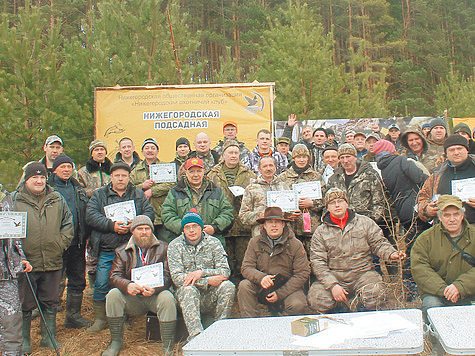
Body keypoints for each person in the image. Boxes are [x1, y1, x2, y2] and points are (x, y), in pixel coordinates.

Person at [307, 189, 405, 313]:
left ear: (347, 203)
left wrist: (391, 253)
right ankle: (340, 310)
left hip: (363, 274)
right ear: (327, 208)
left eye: (340, 201)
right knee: (317, 299)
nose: (337, 205)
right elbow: (318, 263)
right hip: (335, 276)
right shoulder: (320, 232)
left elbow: (379, 243)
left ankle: (363, 311)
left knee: (375, 293)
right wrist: (333, 285)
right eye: (332, 203)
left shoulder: (365, 223)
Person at [85, 162, 154, 333]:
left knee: (127, 283)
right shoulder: (99, 195)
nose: (121, 178)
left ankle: (123, 317)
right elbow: (91, 215)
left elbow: (149, 213)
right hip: (108, 248)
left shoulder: (137, 194)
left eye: (124, 175)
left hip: (131, 249)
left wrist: (136, 223)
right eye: (117, 175)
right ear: (111, 177)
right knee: (102, 283)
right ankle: (101, 319)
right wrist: (111, 226)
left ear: (129, 177)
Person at [14, 162, 73, 353]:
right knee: (25, 304)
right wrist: (17, 255)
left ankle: (49, 338)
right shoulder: (15, 200)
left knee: (51, 302)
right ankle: (24, 341)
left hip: (52, 260)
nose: (39, 181)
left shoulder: (57, 198)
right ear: (27, 179)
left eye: (42, 178)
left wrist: (59, 244)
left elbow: (68, 223)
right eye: (34, 178)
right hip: (26, 263)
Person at [104, 215, 177, 356]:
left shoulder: (164, 248)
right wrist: (127, 285)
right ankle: (116, 342)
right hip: (133, 298)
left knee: (167, 297)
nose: (144, 232)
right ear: (132, 231)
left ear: (152, 231)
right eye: (140, 229)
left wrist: (155, 289)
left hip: (154, 296)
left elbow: (168, 276)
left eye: (147, 229)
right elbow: (113, 276)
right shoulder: (122, 251)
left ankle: (168, 346)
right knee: (113, 295)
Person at [167, 210, 235, 340]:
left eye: (195, 226)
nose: (191, 230)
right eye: (187, 227)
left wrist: (202, 273)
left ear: (201, 228)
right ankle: (196, 337)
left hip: (210, 295)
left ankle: (220, 332)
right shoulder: (174, 246)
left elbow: (225, 271)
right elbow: (177, 278)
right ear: (183, 230)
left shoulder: (214, 243)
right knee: (188, 290)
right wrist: (207, 281)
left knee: (228, 286)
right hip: (186, 297)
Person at [373, 140, 429, 288]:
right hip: (416, 209)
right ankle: (410, 283)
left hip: (403, 212)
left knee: (411, 246)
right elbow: (420, 178)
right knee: (418, 248)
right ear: (391, 149)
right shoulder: (401, 160)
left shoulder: (384, 168)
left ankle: (407, 284)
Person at [411, 195, 474, 321]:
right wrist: (444, 290)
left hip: (470, 291)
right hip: (437, 293)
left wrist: (460, 287)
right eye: (447, 215)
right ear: (439, 217)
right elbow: (419, 268)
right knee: (432, 306)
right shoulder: (426, 238)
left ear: (462, 215)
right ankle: (436, 340)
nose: (452, 219)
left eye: (456, 214)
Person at [238, 207, 310, 317]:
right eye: (270, 222)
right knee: (244, 286)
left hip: (287, 287)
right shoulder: (254, 242)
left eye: (277, 222)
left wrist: (280, 293)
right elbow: (246, 267)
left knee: (298, 304)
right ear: (264, 226)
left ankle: (285, 325)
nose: (274, 225)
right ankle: (251, 324)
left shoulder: (295, 244)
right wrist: (261, 277)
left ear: (283, 224)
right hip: (262, 286)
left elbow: (302, 273)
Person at [47, 154, 92, 329]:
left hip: (77, 243)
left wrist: (86, 236)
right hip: (55, 244)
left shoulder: (77, 188)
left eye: (69, 167)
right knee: (53, 282)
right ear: (55, 169)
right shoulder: (48, 188)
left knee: (78, 280)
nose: (66, 170)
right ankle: (49, 322)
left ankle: (73, 317)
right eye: (62, 167)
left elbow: (85, 213)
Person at [207, 140, 256, 279]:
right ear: (223, 155)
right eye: (230, 152)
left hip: (243, 226)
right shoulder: (212, 175)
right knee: (224, 262)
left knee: (244, 262)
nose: (233, 155)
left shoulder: (249, 174)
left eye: (236, 153)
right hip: (222, 226)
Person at [161, 157, 234, 247]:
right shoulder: (175, 192)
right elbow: (167, 215)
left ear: (204, 171)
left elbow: (227, 212)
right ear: (186, 172)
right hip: (184, 244)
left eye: (198, 171)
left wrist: (214, 227)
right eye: (191, 171)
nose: (195, 175)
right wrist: (185, 228)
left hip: (212, 243)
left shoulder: (216, 191)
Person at [0, 184, 32, 356]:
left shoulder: (4, 196)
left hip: (6, 273)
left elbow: (13, 235)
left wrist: (21, 258)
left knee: (12, 319)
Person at [417, 134, 475, 225]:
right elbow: (422, 198)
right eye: (452, 150)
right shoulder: (436, 175)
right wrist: (427, 209)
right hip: (446, 231)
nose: (456, 152)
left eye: (460, 148)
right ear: (446, 154)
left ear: (467, 150)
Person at [278, 144, 325, 252]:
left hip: (312, 228)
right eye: (298, 157)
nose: (301, 160)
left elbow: (325, 201)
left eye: (304, 157)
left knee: (314, 256)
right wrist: (288, 212)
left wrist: (312, 204)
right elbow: (278, 202)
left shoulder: (316, 177)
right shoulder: (283, 178)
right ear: (293, 158)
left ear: (308, 158)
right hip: (290, 228)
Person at [326, 143, 386, 224]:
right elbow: (328, 205)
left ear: (355, 157)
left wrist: (370, 222)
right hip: (340, 225)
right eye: (342, 158)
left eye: (348, 157)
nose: (345, 161)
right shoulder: (334, 179)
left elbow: (379, 203)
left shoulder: (370, 175)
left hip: (365, 224)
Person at [130, 138, 174, 239]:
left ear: (157, 151)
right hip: (143, 216)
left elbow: (172, 184)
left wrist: (152, 191)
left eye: (153, 148)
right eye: (147, 148)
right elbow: (129, 188)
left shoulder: (165, 167)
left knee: (163, 246)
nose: (150, 150)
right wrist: (142, 186)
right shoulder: (135, 170)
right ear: (142, 151)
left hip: (162, 214)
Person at [239, 156, 289, 238]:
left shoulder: (284, 186)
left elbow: (290, 211)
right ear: (259, 169)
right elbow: (243, 216)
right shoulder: (251, 188)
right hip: (260, 236)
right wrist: (260, 216)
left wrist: (292, 215)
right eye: (265, 166)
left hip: (283, 236)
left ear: (275, 168)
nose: (268, 169)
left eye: (271, 165)